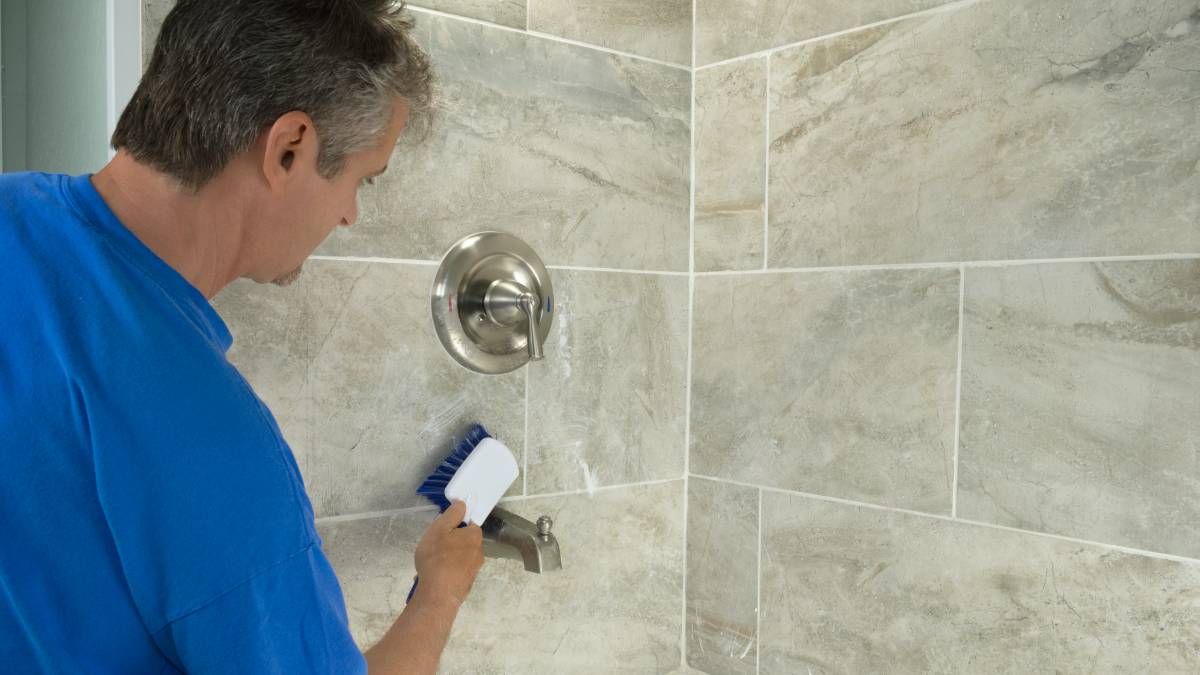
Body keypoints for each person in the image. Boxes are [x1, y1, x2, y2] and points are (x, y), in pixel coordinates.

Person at [0, 1, 483, 673]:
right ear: (289, 149)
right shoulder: (213, 445)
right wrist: (440, 591)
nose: (349, 214)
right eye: (359, 179)